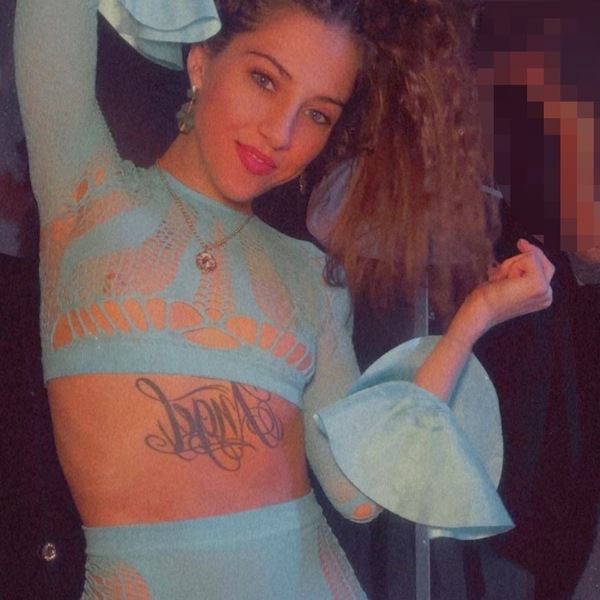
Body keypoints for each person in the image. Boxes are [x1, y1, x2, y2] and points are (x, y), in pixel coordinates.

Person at [14, 0, 555, 598]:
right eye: (264, 79)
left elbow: (358, 493)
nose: (281, 133)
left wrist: (477, 316)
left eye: (318, 115)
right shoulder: (85, 197)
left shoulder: (309, 275)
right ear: (201, 61)